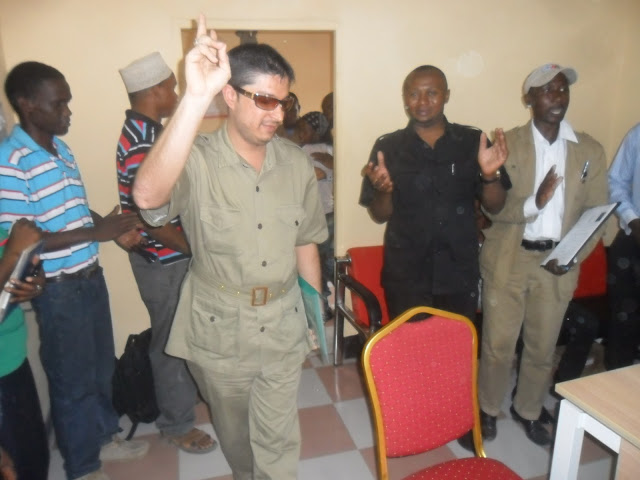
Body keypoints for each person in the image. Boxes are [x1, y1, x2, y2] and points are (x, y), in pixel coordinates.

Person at [132, 16, 327, 480]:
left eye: (283, 102)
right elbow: (147, 198)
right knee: (238, 440)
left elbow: (305, 241)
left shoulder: (296, 163)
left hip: (281, 324)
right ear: (231, 95)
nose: (277, 114)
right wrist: (194, 96)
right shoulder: (196, 159)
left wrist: (314, 315)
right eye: (264, 100)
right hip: (218, 332)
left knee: (278, 445)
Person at [0, 61, 149, 480]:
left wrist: (110, 225)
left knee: (101, 370)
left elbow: (75, 211)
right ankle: (83, 467)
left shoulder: (61, 149)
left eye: (68, 102)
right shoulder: (11, 160)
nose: (68, 112)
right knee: (72, 382)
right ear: (28, 105)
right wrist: (96, 232)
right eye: (59, 103)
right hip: (58, 289)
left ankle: (103, 438)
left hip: (90, 276)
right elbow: (23, 240)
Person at [477, 63, 608, 447]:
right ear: (529, 98)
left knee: (542, 345)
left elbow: (597, 213)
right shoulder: (507, 144)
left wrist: (572, 255)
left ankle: (528, 409)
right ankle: (487, 408)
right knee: (498, 345)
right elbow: (492, 211)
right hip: (510, 258)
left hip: (559, 262)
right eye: (548, 90)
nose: (558, 97)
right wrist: (535, 202)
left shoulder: (588, 150)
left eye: (563, 89)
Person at [116, 52, 217, 453]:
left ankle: (183, 403)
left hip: (169, 259)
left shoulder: (148, 131)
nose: (175, 94)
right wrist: (196, 249)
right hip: (163, 261)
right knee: (172, 344)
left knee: (185, 337)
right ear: (154, 90)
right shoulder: (142, 140)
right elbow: (152, 217)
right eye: (172, 87)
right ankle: (176, 425)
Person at [359, 65, 509, 324]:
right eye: (414, 94)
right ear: (405, 98)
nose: (422, 102)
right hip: (406, 275)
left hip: (458, 273)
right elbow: (379, 215)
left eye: (432, 93)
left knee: (456, 345)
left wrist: (489, 175)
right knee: (410, 345)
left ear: (446, 95)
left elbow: (496, 206)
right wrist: (384, 191)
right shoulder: (388, 147)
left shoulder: (473, 141)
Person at [0, 219, 48, 480]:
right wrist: (13, 254)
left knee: (34, 458)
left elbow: (21, 270)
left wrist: (35, 282)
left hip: (14, 357)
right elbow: (10, 256)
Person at [605, 122, 640, 370]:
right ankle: (617, 378)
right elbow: (614, 182)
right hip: (634, 239)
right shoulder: (638, 134)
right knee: (622, 324)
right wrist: (633, 221)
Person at [293, 111, 334, 313]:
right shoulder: (310, 151)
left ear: (317, 132)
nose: (300, 135)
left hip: (323, 212)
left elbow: (325, 175)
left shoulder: (317, 150)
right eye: (299, 131)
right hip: (320, 212)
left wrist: (326, 171)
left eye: (304, 130)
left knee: (323, 259)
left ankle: (325, 302)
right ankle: (324, 302)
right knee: (321, 258)